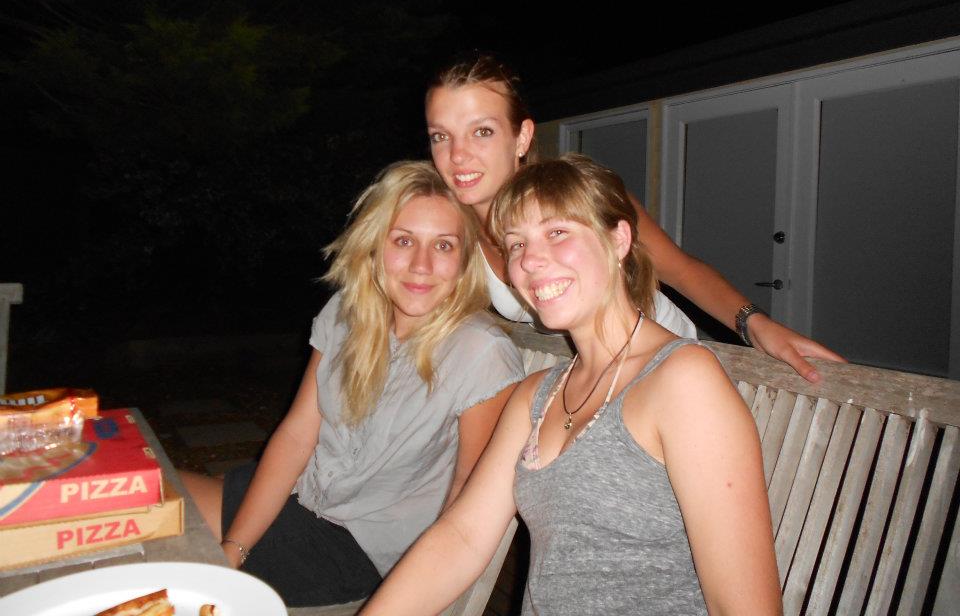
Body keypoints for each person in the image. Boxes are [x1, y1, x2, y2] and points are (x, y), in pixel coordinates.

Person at [360, 154, 782, 616]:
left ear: (618, 240)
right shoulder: (535, 397)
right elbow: (462, 537)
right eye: (516, 244)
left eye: (557, 233)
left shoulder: (682, 382)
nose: (530, 261)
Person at [180, 161, 525, 607]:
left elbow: (467, 504)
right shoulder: (347, 312)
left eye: (443, 245)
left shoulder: (480, 353)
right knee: (151, 498)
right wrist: (235, 548)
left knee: (159, 527)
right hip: (298, 496)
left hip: (356, 549)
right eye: (404, 240)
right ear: (375, 244)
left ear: (464, 259)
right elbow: (297, 435)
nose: (421, 265)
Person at [425, 52, 842, 382]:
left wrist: (754, 324)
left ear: (522, 137)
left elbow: (681, 271)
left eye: (482, 131)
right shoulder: (453, 229)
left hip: (662, 366)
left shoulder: (578, 199)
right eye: (441, 136)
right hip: (585, 376)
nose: (458, 155)